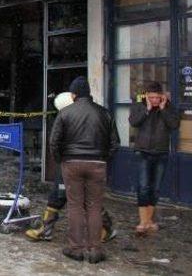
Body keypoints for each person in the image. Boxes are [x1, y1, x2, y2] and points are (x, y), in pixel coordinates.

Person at [50, 76, 119, 264]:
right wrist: (103, 159)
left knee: (75, 206)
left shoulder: (65, 113)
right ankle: (95, 249)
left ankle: (76, 248)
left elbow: (54, 142)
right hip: (97, 164)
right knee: (94, 206)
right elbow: (115, 143)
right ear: (89, 93)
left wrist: (61, 160)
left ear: (73, 94)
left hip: (71, 164)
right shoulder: (105, 113)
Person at [128, 81, 179, 235]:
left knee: (155, 188)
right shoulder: (140, 105)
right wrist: (147, 110)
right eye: (151, 98)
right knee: (143, 187)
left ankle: (148, 221)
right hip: (143, 152)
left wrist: (163, 110)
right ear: (146, 96)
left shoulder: (168, 107)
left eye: (157, 98)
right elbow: (133, 122)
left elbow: (174, 124)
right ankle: (144, 222)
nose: (154, 100)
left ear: (161, 96)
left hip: (161, 152)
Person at [24, 166, 116, 243]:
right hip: (83, 160)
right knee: (64, 192)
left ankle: (105, 229)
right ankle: (106, 229)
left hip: (78, 160)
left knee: (68, 193)